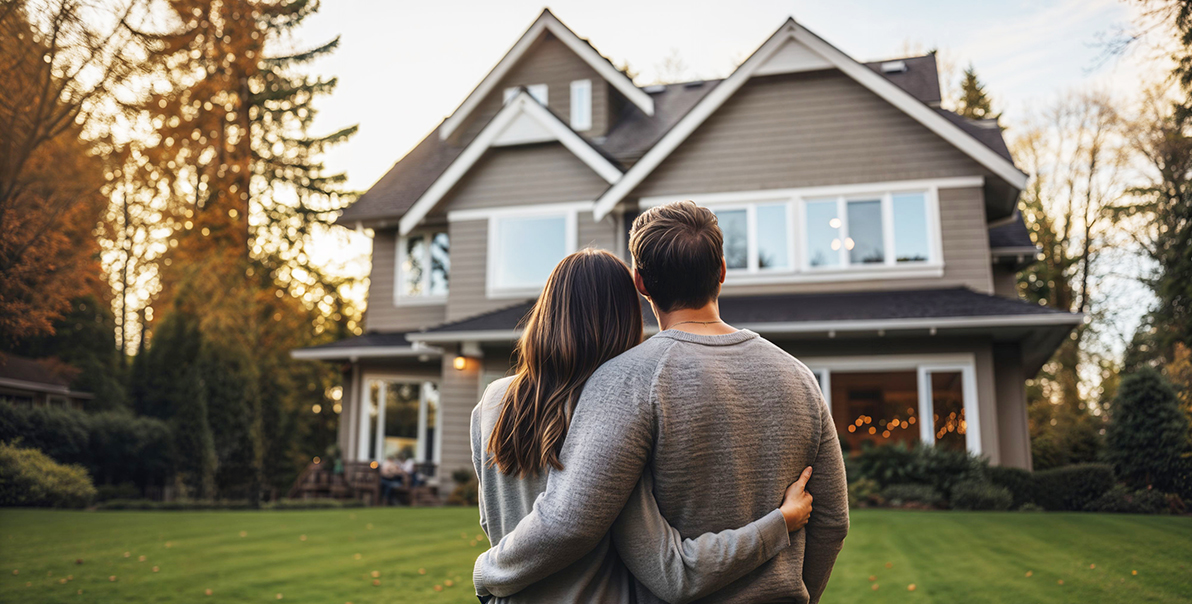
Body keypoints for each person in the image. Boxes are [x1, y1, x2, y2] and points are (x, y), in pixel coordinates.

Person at [474, 202, 850, 603]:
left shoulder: (629, 379)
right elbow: (832, 522)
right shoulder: (799, 376)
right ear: (722, 271)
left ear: (641, 283)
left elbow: (574, 522)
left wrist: (487, 571)